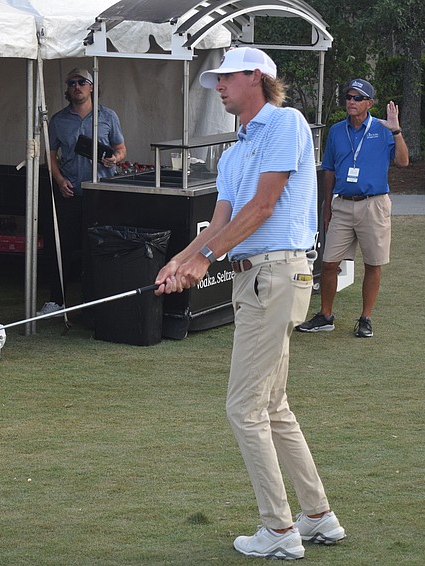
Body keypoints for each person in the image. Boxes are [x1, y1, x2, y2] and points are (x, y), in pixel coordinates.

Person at [154, 47, 345, 560]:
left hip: (276, 274)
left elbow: (264, 206)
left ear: (256, 78)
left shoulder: (287, 122)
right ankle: (317, 517)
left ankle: (279, 531)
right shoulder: (235, 150)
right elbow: (220, 224)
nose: (216, 85)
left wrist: (205, 260)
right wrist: (180, 260)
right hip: (254, 280)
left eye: (225, 77)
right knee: (273, 406)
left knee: (243, 407)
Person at [296, 79, 408, 338]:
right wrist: (326, 207)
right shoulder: (337, 131)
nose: (351, 102)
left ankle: (366, 318)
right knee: (329, 262)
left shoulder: (383, 129)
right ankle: (325, 315)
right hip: (343, 205)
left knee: (373, 263)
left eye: (358, 98)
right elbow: (329, 170)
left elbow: (403, 161)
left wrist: (396, 130)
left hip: (374, 204)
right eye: (348, 97)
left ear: (369, 103)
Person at [40, 68, 126, 315]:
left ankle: (98, 300)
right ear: (67, 89)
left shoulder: (108, 116)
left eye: (82, 82)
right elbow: (50, 154)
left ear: (91, 87)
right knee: (60, 248)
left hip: (101, 193)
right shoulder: (58, 120)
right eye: (72, 83)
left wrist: (115, 159)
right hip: (71, 192)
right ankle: (57, 300)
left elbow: (121, 148)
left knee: (99, 246)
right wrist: (58, 179)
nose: (77, 86)